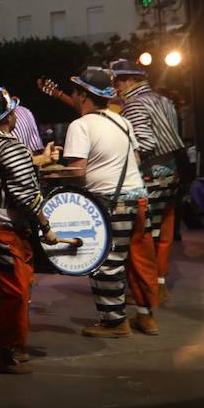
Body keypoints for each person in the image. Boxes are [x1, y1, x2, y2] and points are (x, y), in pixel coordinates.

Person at [0, 84, 60, 374]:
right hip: (4, 230)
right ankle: (5, 351)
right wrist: (45, 225)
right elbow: (25, 196)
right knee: (14, 293)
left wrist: (37, 161)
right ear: (7, 116)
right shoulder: (11, 146)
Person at [60, 66, 157, 337]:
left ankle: (115, 323)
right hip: (139, 198)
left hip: (110, 202)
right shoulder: (121, 121)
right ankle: (147, 318)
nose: (72, 95)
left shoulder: (80, 125)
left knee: (106, 262)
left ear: (82, 95)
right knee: (140, 260)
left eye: (74, 90)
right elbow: (136, 160)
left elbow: (77, 171)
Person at [112, 58, 186, 304]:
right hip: (172, 172)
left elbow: (145, 144)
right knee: (161, 231)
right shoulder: (164, 99)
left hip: (151, 174)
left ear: (131, 80)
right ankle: (159, 284)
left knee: (144, 234)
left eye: (119, 81)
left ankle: (148, 291)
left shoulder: (134, 104)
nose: (116, 86)